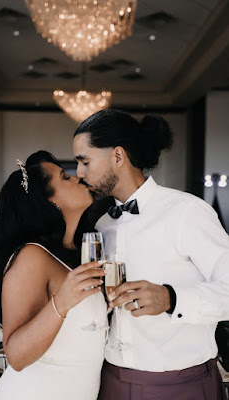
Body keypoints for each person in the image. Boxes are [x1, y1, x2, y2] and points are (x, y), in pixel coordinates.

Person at [73, 109, 229, 400]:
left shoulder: (187, 212)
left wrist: (172, 298)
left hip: (182, 385)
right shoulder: (101, 225)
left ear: (117, 157)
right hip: (111, 381)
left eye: (84, 161)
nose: (79, 173)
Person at [0, 150, 107, 400]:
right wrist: (61, 302)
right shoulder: (32, 257)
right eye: (65, 177)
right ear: (48, 201)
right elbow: (17, 357)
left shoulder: (81, 253)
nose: (77, 178)